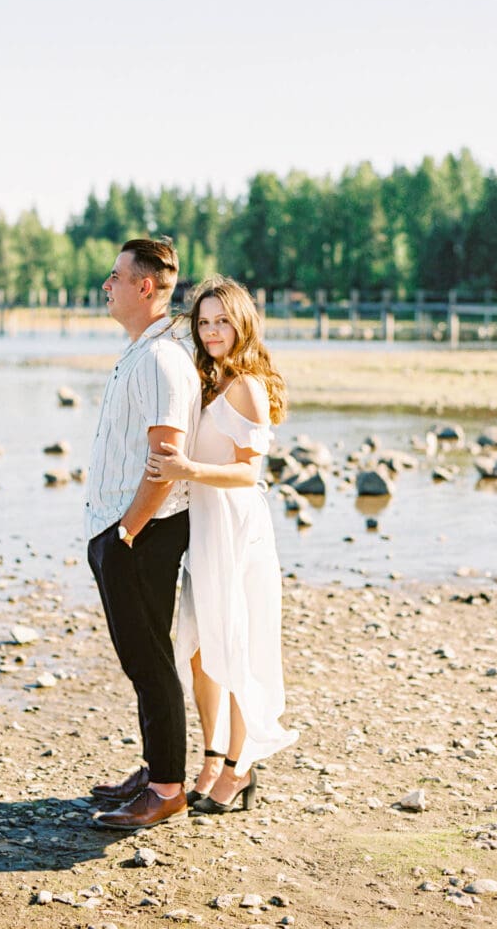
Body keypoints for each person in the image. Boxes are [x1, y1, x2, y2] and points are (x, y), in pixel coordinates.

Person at [146, 275, 298, 814]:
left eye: (221, 321)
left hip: (236, 527)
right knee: (200, 650)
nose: (212, 331)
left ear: (241, 324)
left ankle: (240, 767)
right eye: (204, 321)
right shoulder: (208, 379)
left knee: (234, 647)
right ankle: (211, 756)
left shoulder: (247, 387)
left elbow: (248, 475)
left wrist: (187, 468)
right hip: (204, 529)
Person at [85, 236, 201, 830]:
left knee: (151, 660)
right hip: (127, 532)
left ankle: (166, 789)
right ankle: (156, 768)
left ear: (145, 287)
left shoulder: (160, 359)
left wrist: (124, 533)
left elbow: (165, 458)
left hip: (143, 534)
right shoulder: (144, 350)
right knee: (141, 659)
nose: (107, 285)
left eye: (116, 276)